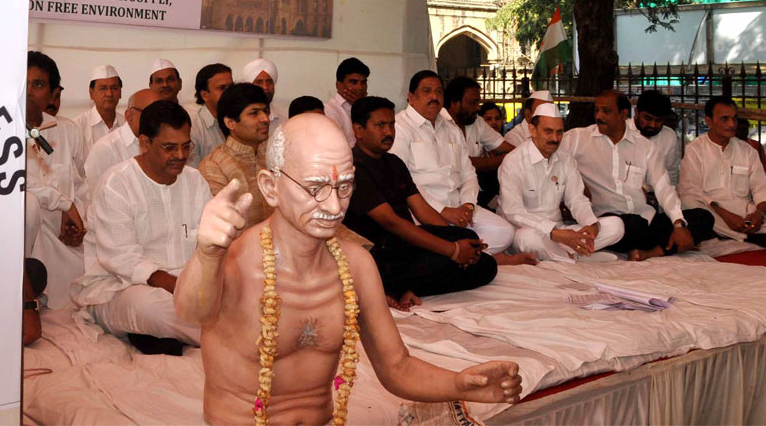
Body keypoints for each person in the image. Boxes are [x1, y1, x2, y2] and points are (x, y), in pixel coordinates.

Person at [175, 113, 522, 426]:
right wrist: (207, 252)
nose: (333, 205)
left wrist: (459, 383)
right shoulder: (235, 259)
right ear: (271, 187)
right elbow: (190, 310)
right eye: (315, 188)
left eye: (344, 186)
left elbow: (396, 366)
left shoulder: (354, 264)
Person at [72, 100, 213, 352]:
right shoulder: (117, 183)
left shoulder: (195, 180)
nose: (180, 156)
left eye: (185, 146)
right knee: (153, 308)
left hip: (185, 284)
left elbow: (208, 239)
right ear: (145, 143)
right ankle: (233, 340)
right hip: (120, 288)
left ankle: (166, 335)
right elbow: (122, 258)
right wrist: (176, 286)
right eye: (170, 148)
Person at [345, 97, 501, 311]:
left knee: (478, 253)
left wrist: (459, 243)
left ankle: (401, 286)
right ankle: (388, 287)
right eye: (380, 125)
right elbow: (392, 223)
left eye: (391, 124)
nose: (389, 132)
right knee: (471, 261)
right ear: (358, 130)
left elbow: (423, 210)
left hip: (404, 245)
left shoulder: (394, 163)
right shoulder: (354, 168)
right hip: (378, 255)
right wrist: (452, 250)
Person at [561, 91, 714, 261]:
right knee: (630, 225)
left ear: (623, 114)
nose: (599, 116)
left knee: (703, 217)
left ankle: (651, 251)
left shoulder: (645, 147)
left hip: (645, 220)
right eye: (597, 110)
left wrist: (678, 223)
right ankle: (658, 247)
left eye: (606, 111)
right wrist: (576, 183)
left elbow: (663, 187)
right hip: (609, 222)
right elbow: (552, 160)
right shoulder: (577, 139)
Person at [392, 71, 521, 263]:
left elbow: (469, 173)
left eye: (438, 92)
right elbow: (402, 183)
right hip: (423, 212)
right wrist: (444, 211)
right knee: (428, 241)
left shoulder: (451, 128)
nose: (434, 97)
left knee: (504, 232)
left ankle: (463, 255)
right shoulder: (399, 127)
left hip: (459, 208)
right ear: (411, 97)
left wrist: (468, 205)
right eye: (427, 91)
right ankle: (472, 256)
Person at [498, 104, 625, 262]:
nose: (555, 139)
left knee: (616, 225)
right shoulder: (513, 161)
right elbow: (513, 211)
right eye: (548, 131)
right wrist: (553, 232)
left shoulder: (566, 159)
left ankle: (566, 254)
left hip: (561, 230)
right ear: (532, 130)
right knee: (528, 238)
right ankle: (574, 258)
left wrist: (591, 224)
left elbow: (577, 199)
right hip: (527, 230)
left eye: (559, 132)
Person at [23, 51, 88, 308]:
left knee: (84, 292)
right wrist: (64, 204)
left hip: (62, 236)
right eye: (23, 82)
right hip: (23, 236)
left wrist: (76, 219)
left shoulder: (68, 130)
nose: (28, 91)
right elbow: (19, 183)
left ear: (52, 93)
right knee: (27, 205)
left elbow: (83, 185)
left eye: (38, 85)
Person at [679, 96, 766, 249]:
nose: (732, 124)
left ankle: (732, 236)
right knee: (688, 202)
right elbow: (690, 189)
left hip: (744, 213)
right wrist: (725, 215)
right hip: (712, 210)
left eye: (734, 118)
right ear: (709, 121)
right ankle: (747, 237)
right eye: (724, 119)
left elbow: (761, 186)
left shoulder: (747, 150)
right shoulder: (695, 149)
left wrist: (759, 214)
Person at [199, 83, 272, 224]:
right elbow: (220, 224)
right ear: (230, 123)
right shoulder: (214, 167)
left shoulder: (275, 155)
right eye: (254, 113)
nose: (265, 119)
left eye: (265, 111)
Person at [442, 77, 507, 208]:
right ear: (455, 103)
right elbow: (466, 161)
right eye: (474, 103)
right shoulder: (439, 123)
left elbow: (506, 147)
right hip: (448, 197)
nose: (478, 108)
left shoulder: (476, 121)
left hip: (476, 193)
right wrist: (506, 159)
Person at [84, 87, 157, 200]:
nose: (156, 120)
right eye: (148, 113)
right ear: (128, 115)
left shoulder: (160, 143)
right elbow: (96, 198)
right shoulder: (106, 148)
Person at [631, 90, 683, 186]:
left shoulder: (669, 136)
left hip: (656, 196)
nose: (653, 125)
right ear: (636, 113)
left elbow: (671, 174)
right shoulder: (621, 131)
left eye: (658, 120)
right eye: (648, 118)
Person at [190, 63, 232, 167]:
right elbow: (193, 171)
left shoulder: (240, 119)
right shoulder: (193, 127)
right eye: (222, 88)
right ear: (204, 95)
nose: (229, 93)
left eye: (231, 87)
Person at [73, 64, 123, 152]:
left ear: (120, 93)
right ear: (91, 93)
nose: (109, 94)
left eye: (114, 88)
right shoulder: (77, 127)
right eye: (103, 88)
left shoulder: (127, 124)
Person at [324, 56, 369, 146]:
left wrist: (361, 107)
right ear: (338, 85)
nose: (360, 87)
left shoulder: (367, 109)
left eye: (363, 82)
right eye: (353, 82)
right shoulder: (329, 110)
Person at [242, 58, 287, 135]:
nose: (265, 87)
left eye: (269, 82)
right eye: (259, 82)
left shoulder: (285, 119)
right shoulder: (239, 118)